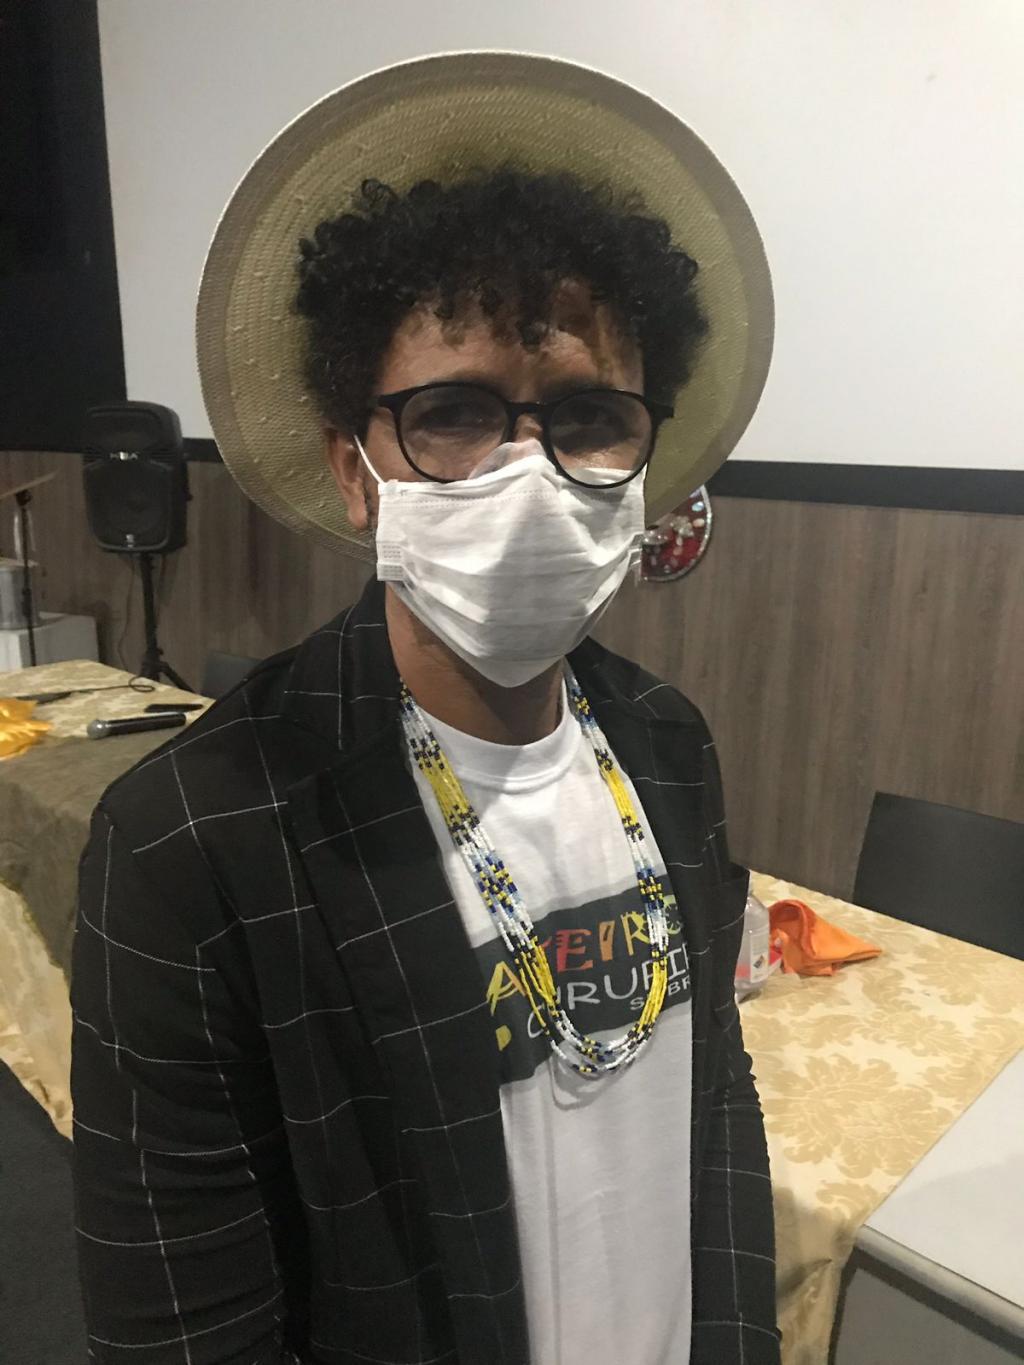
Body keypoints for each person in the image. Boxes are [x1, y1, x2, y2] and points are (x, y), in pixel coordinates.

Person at [71, 53, 779, 1365]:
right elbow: (185, 1331)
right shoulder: (193, 842)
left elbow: (717, 1116)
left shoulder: (669, 745)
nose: (529, 469)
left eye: (587, 415)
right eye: (454, 413)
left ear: (644, 459)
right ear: (356, 470)